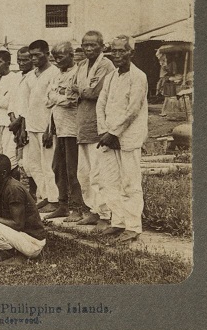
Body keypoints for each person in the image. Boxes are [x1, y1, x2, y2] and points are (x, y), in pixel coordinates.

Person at [95, 35, 149, 244]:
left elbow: (132, 110)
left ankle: (133, 227)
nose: (117, 55)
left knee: (130, 183)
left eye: (121, 51)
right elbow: (101, 104)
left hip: (128, 138)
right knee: (109, 181)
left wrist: (115, 133)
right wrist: (104, 132)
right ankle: (118, 221)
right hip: (108, 137)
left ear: (131, 53)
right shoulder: (111, 76)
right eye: (114, 51)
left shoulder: (139, 77)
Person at [0, 154, 47, 264]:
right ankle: (3, 252)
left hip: (33, 242)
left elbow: (18, 224)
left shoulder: (13, 189)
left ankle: (19, 256)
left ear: (4, 173)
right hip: (20, 236)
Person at [75, 31, 116, 227]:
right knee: (84, 173)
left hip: (97, 125)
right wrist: (82, 91)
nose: (88, 49)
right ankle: (92, 209)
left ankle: (105, 214)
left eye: (93, 45)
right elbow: (72, 89)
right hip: (82, 125)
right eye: (85, 45)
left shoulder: (106, 65)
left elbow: (95, 92)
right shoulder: (82, 65)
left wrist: (81, 91)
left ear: (102, 46)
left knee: (99, 173)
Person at [45, 41, 82, 221]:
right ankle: (63, 205)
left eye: (60, 57)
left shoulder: (78, 73)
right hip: (59, 128)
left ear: (71, 55)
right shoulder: (56, 75)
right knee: (58, 167)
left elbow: (71, 100)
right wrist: (58, 96)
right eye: (55, 58)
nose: (57, 61)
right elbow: (49, 97)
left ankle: (77, 208)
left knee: (72, 169)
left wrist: (56, 97)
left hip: (73, 128)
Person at [23, 40, 58, 212]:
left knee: (48, 164)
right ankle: (44, 196)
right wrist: (24, 126)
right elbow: (26, 103)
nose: (34, 58)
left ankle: (54, 199)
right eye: (32, 56)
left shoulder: (54, 73)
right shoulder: (31, 75)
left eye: (38, 55)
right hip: (32, 125)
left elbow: (54, 104)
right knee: (33, 164)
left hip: (47, 127)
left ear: (47, 53)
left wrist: (50, 129)